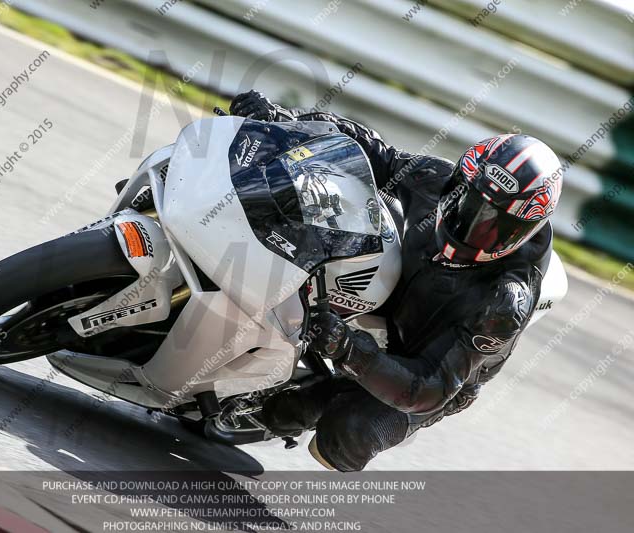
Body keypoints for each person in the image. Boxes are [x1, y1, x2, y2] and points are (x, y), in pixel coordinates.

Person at [229, 90, 563, 471]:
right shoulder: (436, 180)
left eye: (493, 224)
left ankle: (301, 402)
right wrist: (283, 118)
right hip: (406, 283)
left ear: (523, 231)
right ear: (458, 180)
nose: (472, 224)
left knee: (341, 434)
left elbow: (431, 386)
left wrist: (350, 350)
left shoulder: (504, 303)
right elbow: (372, 150)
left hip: (429, 360)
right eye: (467, 201)